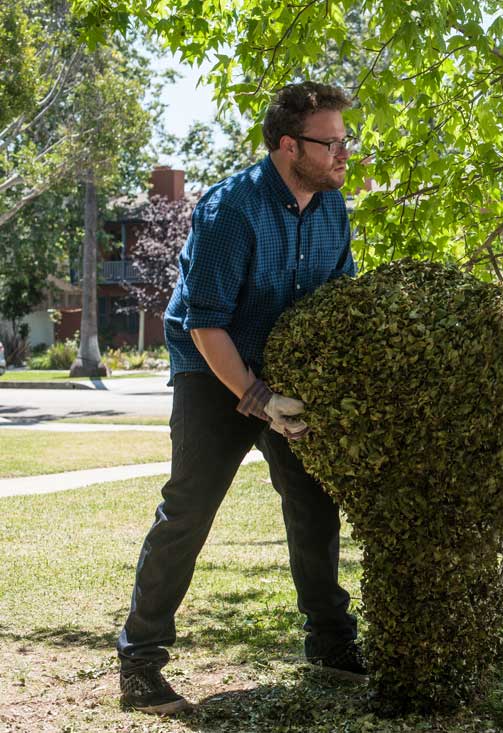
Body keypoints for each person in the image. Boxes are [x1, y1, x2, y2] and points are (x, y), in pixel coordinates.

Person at [117, 81, 362, 715]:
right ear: (289, 145)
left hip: (284, 370)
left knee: (313, 503)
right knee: (189, 511)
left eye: (346, 140)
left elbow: (337, 303)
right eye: (331, 142)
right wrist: (258, 398)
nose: (344, 153)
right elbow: (205, 323)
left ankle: (331, 643)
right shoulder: (232, 209)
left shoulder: (335, 208)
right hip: (211, 366)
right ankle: (139, 663)